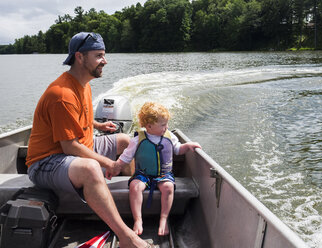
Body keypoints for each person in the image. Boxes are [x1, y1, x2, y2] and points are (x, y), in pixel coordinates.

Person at [25, 32, 148, 248]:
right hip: (45, 162)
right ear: (80, 57)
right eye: (99, 55)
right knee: (92, 168)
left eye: (104, 55)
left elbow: (80, 117)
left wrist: (98, 126)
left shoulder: (83, 84)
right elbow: (69, 146)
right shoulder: (61, 94)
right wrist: (108, 163)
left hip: (77, 148)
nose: (105, 61)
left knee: (126, 142)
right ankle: (126, 238)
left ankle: (128, 201)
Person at [114, 102, 201, 236]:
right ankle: (138, 220)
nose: (166, 127)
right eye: (163, 125)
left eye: (166, 124)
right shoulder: (137, 139)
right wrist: (115, 167)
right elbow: (126, 157)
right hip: (142, 174)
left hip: (163, 174)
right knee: (135, 187)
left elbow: (177, 149)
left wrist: (188, 145)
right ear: (149, 126)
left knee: (168, 187)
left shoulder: (169, 136)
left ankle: (164, 219)